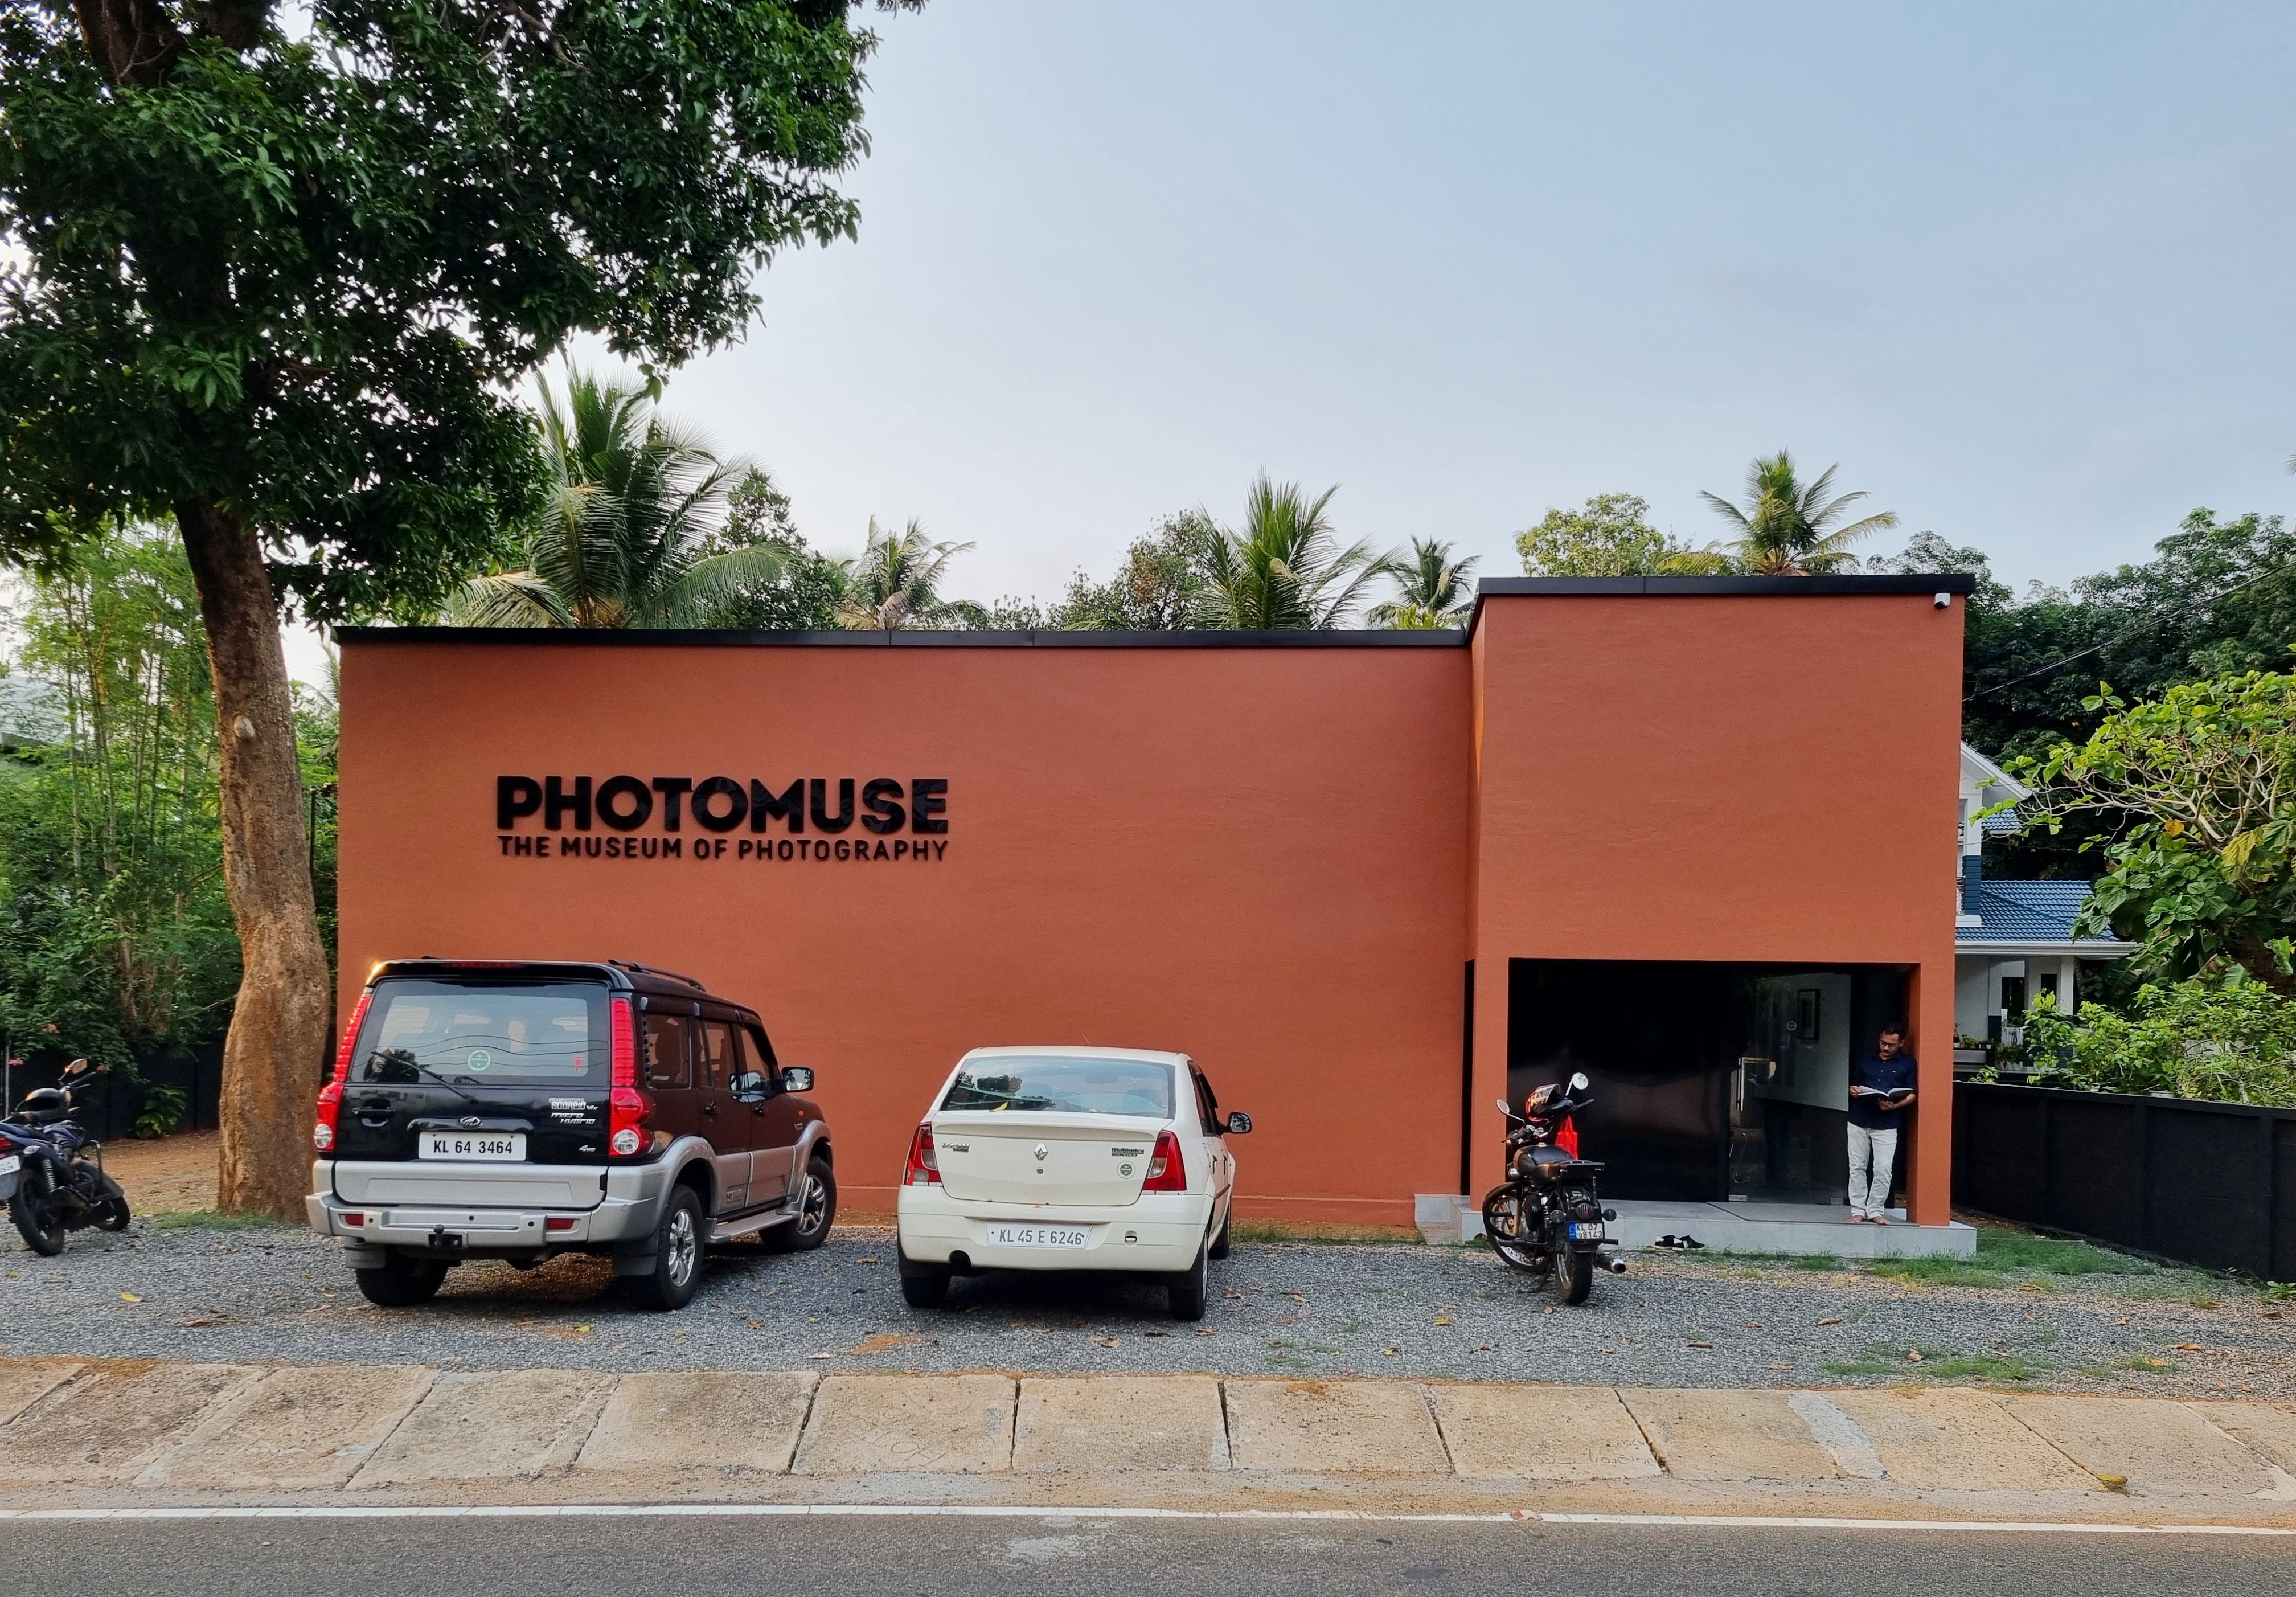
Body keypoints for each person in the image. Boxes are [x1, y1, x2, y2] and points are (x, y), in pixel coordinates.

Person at [1847, 1022, 1917, 1223]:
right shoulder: (1865, 1060)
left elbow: (1913, 1093)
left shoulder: (1907, 1063)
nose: (1885, 1048)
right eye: (1883, 1043)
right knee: (1857, 1166)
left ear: (1901, 1043)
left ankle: (1876, 1209)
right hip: (1860, 1118)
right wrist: (1853, 1090)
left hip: (1887, 1121)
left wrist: (1895, 1106)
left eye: (1891, 1045)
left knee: (1884, 1168)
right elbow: (1854, 1085)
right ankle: (1858, 1210)